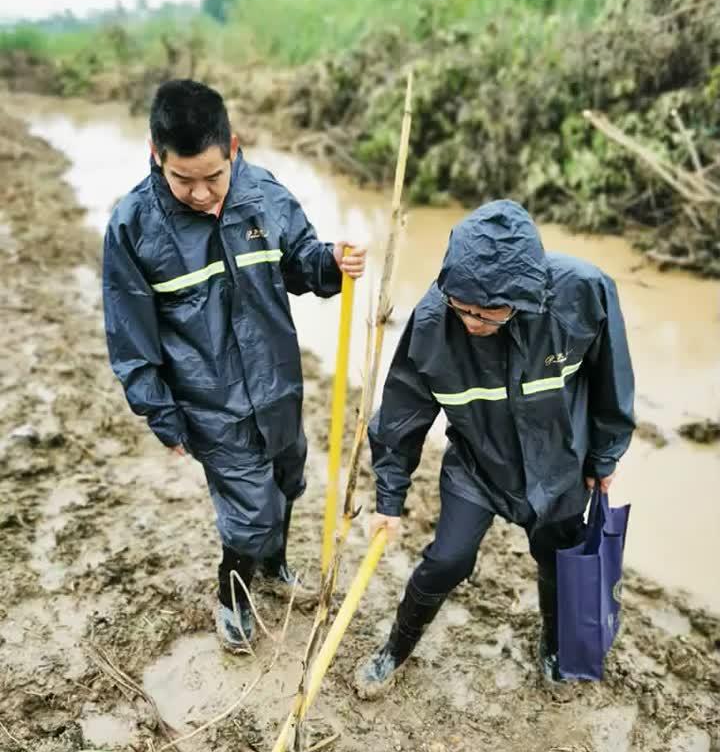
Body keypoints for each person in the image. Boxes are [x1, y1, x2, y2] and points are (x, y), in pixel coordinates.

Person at [103, 79, 366, 650]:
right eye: (182, 179)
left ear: (234, 148)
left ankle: (274, 566)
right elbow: (130, 338)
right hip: (210, 402)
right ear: (156, 155)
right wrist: (162, 415)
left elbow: (301, 265)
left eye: (213, 177)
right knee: (248, 513)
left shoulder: (265, 195)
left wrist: (332, 263)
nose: (200, 193)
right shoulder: (133, 226)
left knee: (287, 480)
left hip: (278, 385)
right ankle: (233, 596)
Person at [355, 199, 634, 695]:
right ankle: (395, 648)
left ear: (528, 297)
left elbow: (612, 377)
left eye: (490, 313)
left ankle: (555, 645)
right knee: (447, 559)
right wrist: (389, 500)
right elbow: (401, 415)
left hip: (558, 466)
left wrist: (605, 455)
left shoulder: (583, 292)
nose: (473, 322)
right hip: (477, 468)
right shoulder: (431, 323)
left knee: (560, 560)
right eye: (463, 308)